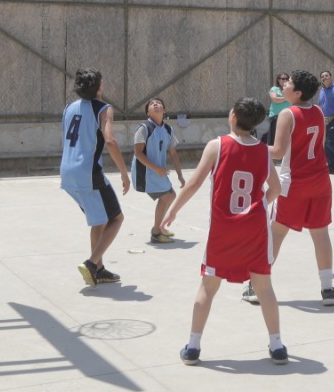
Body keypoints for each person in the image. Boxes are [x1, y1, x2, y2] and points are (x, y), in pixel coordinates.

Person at [164, 97, 287, 365]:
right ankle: (277, 346)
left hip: (223, 230)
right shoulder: (264, 151)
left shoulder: (217, 146)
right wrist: (257, 207)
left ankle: (193, 347)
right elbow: (275, 190)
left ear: (232, 116)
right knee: (264, 288)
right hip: (254, 229)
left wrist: (173, 209)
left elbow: (194, 182)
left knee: (207, 287)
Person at [243, 69, 334, 307]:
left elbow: (276, 152)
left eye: (289, 83)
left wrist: (248, 144)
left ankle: (256, 285)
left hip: (294, 183)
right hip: (320, 181)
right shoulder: (318, 110)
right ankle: (328, 289)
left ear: (297, 93)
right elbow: (318, 144)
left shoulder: (288, 114)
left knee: (275, 233)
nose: (284, 85)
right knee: (320, 234)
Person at [60, 69, 131, 287]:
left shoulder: (68, 108)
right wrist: (123, 172)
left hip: (67, 171)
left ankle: (98, 269)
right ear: (99, 88)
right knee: (116, 218)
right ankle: (91, 263)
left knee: (98, 219)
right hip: (87, 171)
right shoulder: (103, 109)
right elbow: (110, 141)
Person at [132, 98, 185, 244]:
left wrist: (180, 175)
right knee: (167, 196)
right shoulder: (143, 129)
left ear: (164, 110)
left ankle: (159, 228)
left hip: (158, 172)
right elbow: (138, 153)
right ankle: (156, 232)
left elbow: (173, 153)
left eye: (158, 103)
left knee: (170, 195)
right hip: (145, 172)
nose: (155, 104)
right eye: (151, 104)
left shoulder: (168, 129)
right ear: (148, 112)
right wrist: (156, 168)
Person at [265, 72, 291, 146]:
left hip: (288, 117)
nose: (285, 80)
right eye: (283, 79)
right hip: (276, 116)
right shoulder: (274, 89)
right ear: (278, 80)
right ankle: (272, 156)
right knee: (273, 138)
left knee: (286, 138)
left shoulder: (290, 90)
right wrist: (287, 97)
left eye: (287, 79)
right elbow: (275, 99)